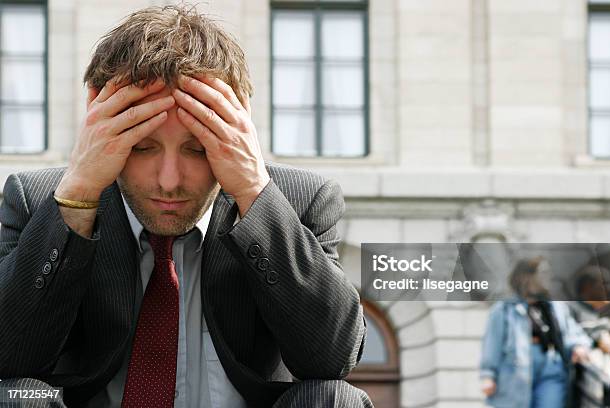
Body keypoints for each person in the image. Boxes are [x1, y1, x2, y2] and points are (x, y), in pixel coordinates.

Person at [0, 5, 371, 408]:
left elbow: (332, 358)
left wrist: (251, 191)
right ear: (96, 117)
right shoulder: (35, 200)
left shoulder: (301, 201)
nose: (169, 180)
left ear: (238, 129)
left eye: (197, 149)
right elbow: (9, 356)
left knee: (334, 398)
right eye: (142, 147)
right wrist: (77, 201)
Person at [479, 257, 592, 408]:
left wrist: (579, 345)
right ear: (527, 276)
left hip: (551, 368)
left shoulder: (556, 308)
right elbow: (492, 344)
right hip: (516, 372)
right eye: (543, 272)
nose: (548, 277)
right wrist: (488, 375)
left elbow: (573, 332)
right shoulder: (504, 309)